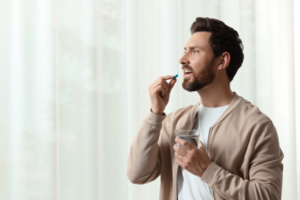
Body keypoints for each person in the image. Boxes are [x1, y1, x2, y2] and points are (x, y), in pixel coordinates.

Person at [126, 17, 283, 200]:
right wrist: (155, 113)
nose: (183, 59)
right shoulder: (173, 121)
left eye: (195, 51)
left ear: (222, 61)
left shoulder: (257, 126)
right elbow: (137, 174)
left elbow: (268, 195)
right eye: (185, 51)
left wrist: (207, 170)